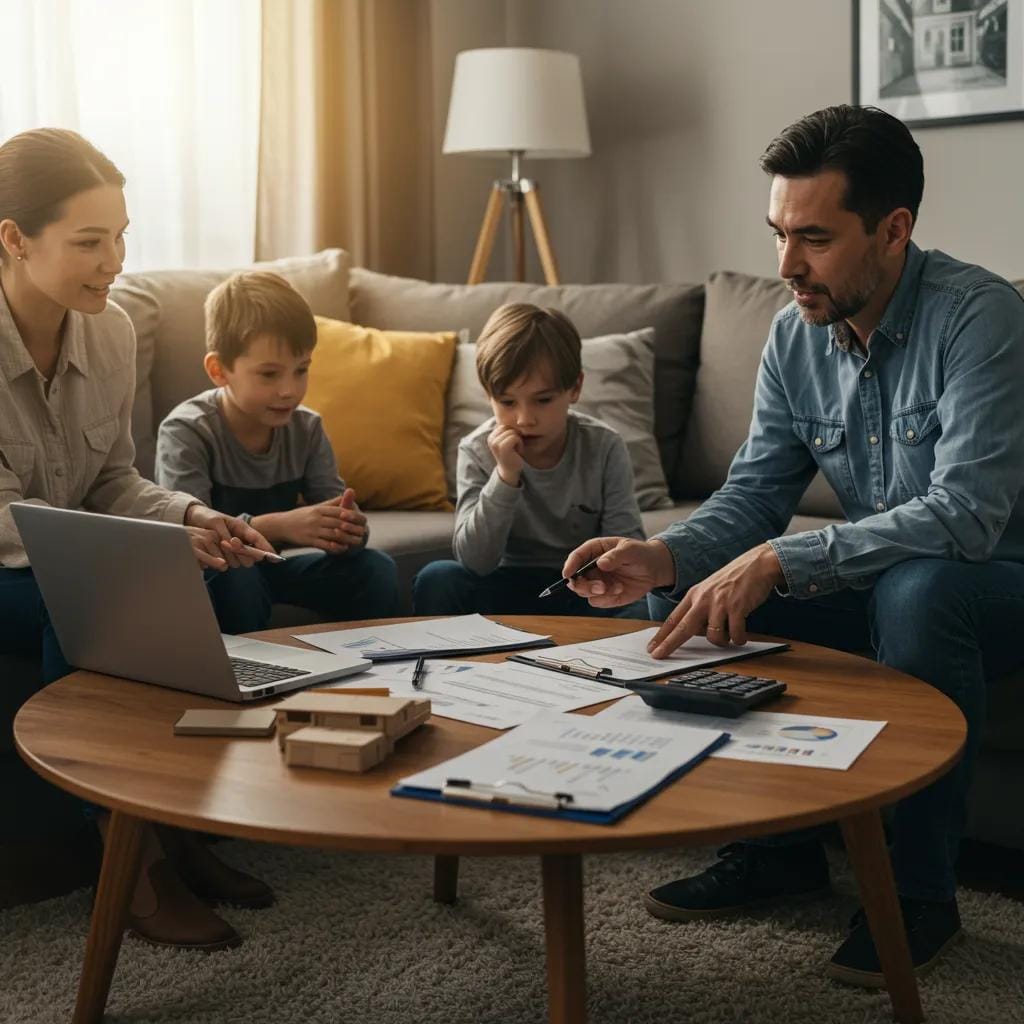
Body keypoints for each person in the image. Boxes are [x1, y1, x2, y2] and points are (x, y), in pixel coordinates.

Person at [562, 105, 1024, 985]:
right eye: (777, 234)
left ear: (894, 231)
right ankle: (776, 848)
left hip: (994, 580)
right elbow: (754, 495)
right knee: (692, 589)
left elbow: (965, 514)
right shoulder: (792, 334)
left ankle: (922, 897)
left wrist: (785, 557)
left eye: (813, 237)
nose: (786, 267)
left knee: (917, 591)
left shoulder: (981, 318)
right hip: (891, 574)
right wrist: (663, 556)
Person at [0, 127, 280, 950]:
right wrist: (131, 556)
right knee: (89, 608)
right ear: (13, 239)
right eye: (90, 242)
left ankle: (193, 821)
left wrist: (191, 519)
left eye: (121, 236)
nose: (114, 259)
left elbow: (113, 480)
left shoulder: (111, 331)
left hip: (66, 548)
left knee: (230, 580)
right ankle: (134, 862)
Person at [155, 270, 399, 632]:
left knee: (376, 569)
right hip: (213, 574)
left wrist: (347, 530)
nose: (289, 390)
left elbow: (338, 523)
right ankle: (250, 682)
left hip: (271, 569)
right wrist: (285, 525)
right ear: (219, 370)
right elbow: (200, 543)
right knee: (237, 578)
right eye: (269, 375)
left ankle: (379, 676)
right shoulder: (187, 431)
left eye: (301, 370)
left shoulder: (307, 428)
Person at [413, 302, 648, 618]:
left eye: (543, 400)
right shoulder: (476, 450)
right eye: (507, 402)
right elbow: (474, 561)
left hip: (579, 590)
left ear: (575, 388)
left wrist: (599, 577)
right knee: (438, 579)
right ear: (488, 395)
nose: (524, 419)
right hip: (503, 586)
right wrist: (505, 477)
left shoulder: (603, 446)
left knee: (644, 602)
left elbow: (628, 547)